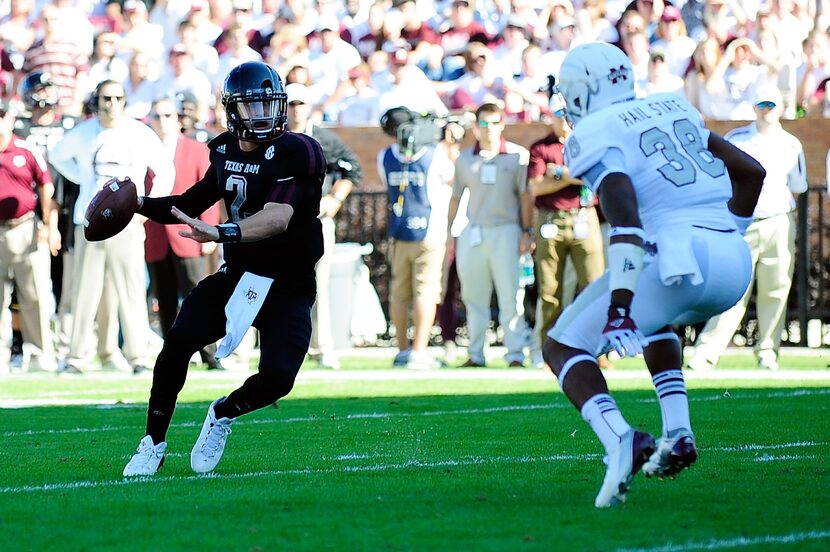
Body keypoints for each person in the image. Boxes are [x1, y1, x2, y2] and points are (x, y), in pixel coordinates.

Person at [542, 42, 765, 508]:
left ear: (585, 91)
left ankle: (619, 439)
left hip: (680, 259)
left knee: (562, 345)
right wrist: (729, 229)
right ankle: (679, 433)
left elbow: (626, 224)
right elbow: (753, 172)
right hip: (732, 259)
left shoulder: (595, 131)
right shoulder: (672, 105)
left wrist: (621, 308)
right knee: (657, 318)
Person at [123, 61, 325, 477]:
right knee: (177, 343)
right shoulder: (223, 149)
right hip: (239, 277)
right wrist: (139, 203)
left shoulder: (297, 150)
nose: (263, 114)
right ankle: (153, 442)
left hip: (287, 284)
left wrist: (221, 232)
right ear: (233, 111)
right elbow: (188, 203)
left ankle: (223, 412)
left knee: (279, 379)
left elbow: (278, 217)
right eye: (252, 106)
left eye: (269, 104)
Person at [50, 79, 174, 375]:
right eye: (106, 97)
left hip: (127, 223)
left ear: (125, 101)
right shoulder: (83, 132)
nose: (112, 103)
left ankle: (138, 357)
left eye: (118, 97)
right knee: (83, 292)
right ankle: (77, 357)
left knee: (132, 290)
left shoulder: (138, 133)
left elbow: (165, 170)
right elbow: (57, 156)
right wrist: (81, 176)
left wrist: (147, 209)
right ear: (97, 100)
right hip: (89, 224)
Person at [687, 84, 808, 372]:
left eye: (771, 104)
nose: (766, 110)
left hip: (779, 219)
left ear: (780, 107)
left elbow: (798, 187)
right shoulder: (736, 138)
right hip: (742, 224)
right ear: (754, 107)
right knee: (732, 288)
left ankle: (768, 350)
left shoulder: (792, 144)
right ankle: (707, 351)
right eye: (761, 104)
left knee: (777, 288)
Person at [447, 102, 534, 368]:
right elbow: (456, 198)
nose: (489, 129)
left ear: (502, 124)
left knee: (511, 296)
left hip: (507, 230)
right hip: (473, 231)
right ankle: (475, 354)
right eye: (484, 123)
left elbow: (525, 197)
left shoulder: (517, 156)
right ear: (475, 127)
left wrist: (527, 232)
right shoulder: (464, 159)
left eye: (495, 123)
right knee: (474, 297)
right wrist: (450, 234)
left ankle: (516, 354)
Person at [286, 82, 361, 370]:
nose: (296, 110)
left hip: (315, 221)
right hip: (279, 222)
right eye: (291, 104)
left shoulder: (324, 139)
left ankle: (322, 346)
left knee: (318, 284)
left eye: (300, 104)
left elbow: (353, 168)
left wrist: (335, 198)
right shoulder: (273, 138)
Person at [145, 97, 223, 371]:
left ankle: (211, 355)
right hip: (155, 237)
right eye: (156, 116)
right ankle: (173, 357)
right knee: (164, 301)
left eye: (167, 115)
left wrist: (211, 231)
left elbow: (211, 192)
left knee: (199, 297)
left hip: (190, 236)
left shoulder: (196, 149)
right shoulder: (144, 150)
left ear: (178, 120)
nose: (162, 121)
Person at [526, 98, 604, 369]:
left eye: (566, 115)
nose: (563, 121)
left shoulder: (588, 142)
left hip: (584, 216)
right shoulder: (540, 147)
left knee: (594, 286)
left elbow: (593, 178)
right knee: (550, 290)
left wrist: (559, 173)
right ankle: (546, 351)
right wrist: (574, 175)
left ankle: (598, 349)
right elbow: (535, 187)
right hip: (551, 219)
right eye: (558, 115)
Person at [378, 107, 454, 369]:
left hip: (399, 232)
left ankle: (401, 349)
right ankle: (419, 351)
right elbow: (452, 180)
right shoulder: (435, 155)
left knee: (399, 292)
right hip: (429, 232)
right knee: (426, 291)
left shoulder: (384, 156)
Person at [0, 99, 59, 373]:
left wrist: (47, 223)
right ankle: (1, 354)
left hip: (25, 226)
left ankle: (40, 354)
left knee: (34, 293)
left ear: (11, 120)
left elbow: (45, 184)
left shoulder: (26, 148)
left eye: (2, 116)